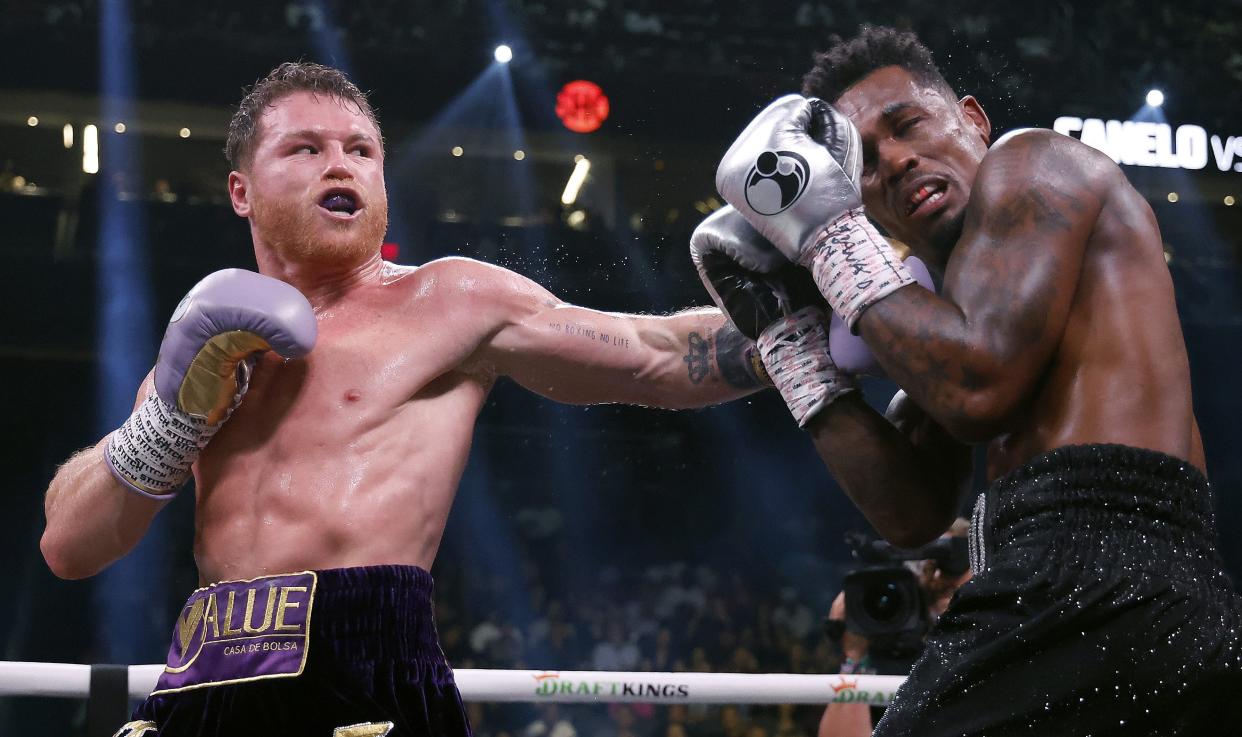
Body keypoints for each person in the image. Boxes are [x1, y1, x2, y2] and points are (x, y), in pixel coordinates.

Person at [40, 62, 773, 737]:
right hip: (204, 670)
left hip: (365, 669)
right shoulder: (206, 346)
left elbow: (660, 356)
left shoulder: (448, 299)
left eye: (361, 150)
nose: (339, 163)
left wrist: (810, 313)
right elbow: (69, 545)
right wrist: (170, 419)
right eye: (304, 148)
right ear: (242, 191)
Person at [697, 24, 1242, 736]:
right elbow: (911, 512)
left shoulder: (1035, 162)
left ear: (974, 121)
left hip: (1096, 577)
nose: (894, 159)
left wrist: (829, 238)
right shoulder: (943, 311)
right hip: (1134, 598)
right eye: (861, 162)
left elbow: (976, 389)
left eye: (907, 124)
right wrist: (787, 340)